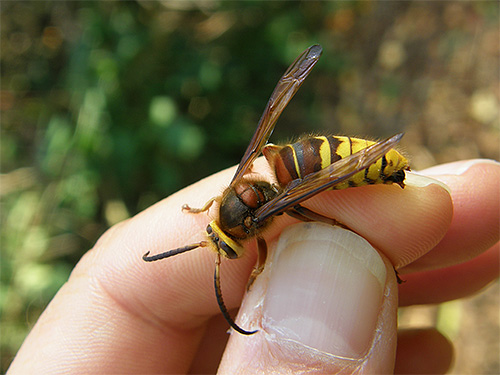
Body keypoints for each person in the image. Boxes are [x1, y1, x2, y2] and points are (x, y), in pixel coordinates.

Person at [7, 158, 499, 374]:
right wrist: (208, 215)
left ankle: (383, 168)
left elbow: (277, 234)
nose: (228, 248)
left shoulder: (259, 221)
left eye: (220, 234)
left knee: (324, 214)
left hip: (312, 175)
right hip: (290, 165)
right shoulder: (242, 189)